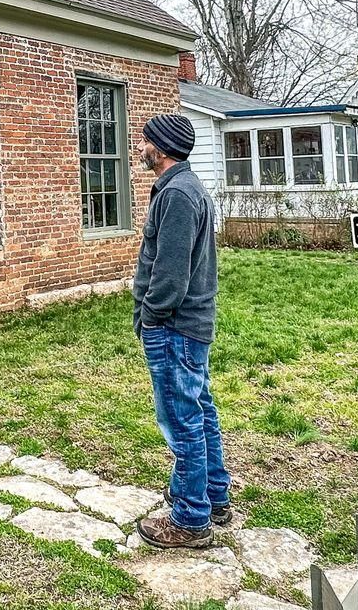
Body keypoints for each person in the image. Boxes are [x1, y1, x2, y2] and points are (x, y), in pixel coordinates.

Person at [132, 113, 233, 548]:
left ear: (162, 148)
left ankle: (191, 519)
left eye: (145, 142)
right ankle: (213, 494)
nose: (140, 148)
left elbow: (170, 274)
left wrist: (149, 315)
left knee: (182, 419)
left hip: (174, 326)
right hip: (190, 325)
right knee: (199, 409)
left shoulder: (176, 195)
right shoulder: (185, 189)